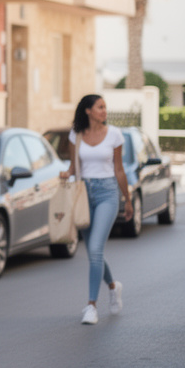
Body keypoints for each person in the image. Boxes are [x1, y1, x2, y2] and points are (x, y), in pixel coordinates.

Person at [59, 93, 132, 325]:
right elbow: (74, 167)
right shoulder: (76, 135)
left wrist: (127, 200)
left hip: (107, 193)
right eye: (100, 107)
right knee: (93, 251)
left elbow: (119, 170)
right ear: (88, 111)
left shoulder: (114, 135)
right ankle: (113, 286)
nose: (104, 111)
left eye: (105, 107)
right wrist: (66, 173)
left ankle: (91, 306)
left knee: (96, 248)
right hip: (83, 194)